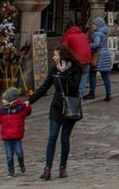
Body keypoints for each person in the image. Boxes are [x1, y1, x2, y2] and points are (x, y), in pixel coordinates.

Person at [29, 47, 83, 180]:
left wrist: (64, 73)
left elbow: (73, 87)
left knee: (64, 139)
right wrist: (29, 102)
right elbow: (45, 87)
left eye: (55, 55)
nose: (53, 57)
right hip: (57, 107)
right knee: (52, 137)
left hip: (70, 107)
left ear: (62, 56)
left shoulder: (75, 69)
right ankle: (47, 169)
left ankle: (62, 167)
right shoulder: (54, 70)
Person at [0, 86, 32, 176]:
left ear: (10, 99)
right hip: (7, 137)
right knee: (9, 156)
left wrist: (26, 106)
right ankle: (11, 171)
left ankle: (21, 164)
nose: (2, 101)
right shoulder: (2, 110)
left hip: (17, 136)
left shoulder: (19, 109)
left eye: (4, 99)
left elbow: (27, 112)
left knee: (19, 153)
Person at [82, 16, 113, 100]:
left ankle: (92, 93)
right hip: (105, 54)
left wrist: (88, 45)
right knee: (105, 76)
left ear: (98, 25)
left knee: (92, 75)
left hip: (98, 56)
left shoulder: (97, 34)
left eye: (94, 24)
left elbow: (97, 44)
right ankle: (108, 94)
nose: (92, 25)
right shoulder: (104, 32)